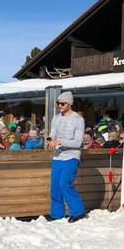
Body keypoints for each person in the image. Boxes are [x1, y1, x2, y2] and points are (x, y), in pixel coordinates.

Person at [47, 91, 86, 222]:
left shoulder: (78, 120)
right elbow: (52, 134)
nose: (60, 106)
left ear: (69, 103)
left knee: (65, 183)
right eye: (58, 103)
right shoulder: (56, 118)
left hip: (72, 156)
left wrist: (60, 142)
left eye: (62, 103)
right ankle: (57, 215)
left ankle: (78, 212)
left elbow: (78, 142)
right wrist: (49, 140)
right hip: (58, 156)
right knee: (55, 187)